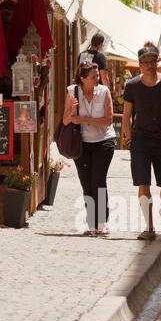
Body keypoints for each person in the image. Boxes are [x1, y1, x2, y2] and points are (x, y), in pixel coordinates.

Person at [122, 42, 161, 241]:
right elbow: (127, 114)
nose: (150, 65)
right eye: (146, 62)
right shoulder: (132, 85)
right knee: (143, 183)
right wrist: (129, 138)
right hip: (140, 141)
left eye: (153, 61)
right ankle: (149, 227)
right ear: (140, 65)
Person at [63, 62, 116, 236]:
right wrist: (71, 109)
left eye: (97, 76)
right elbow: (65, 121)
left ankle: (102, 223)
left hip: (104, 141)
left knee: (98, 180)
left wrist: (84, 119)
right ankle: (92, 224)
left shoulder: (104, 91)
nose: (97, 79)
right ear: (83, 78)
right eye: (93, 77)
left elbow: (108, 120)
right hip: (82, 143)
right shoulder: (72, 91)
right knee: (86, 183)